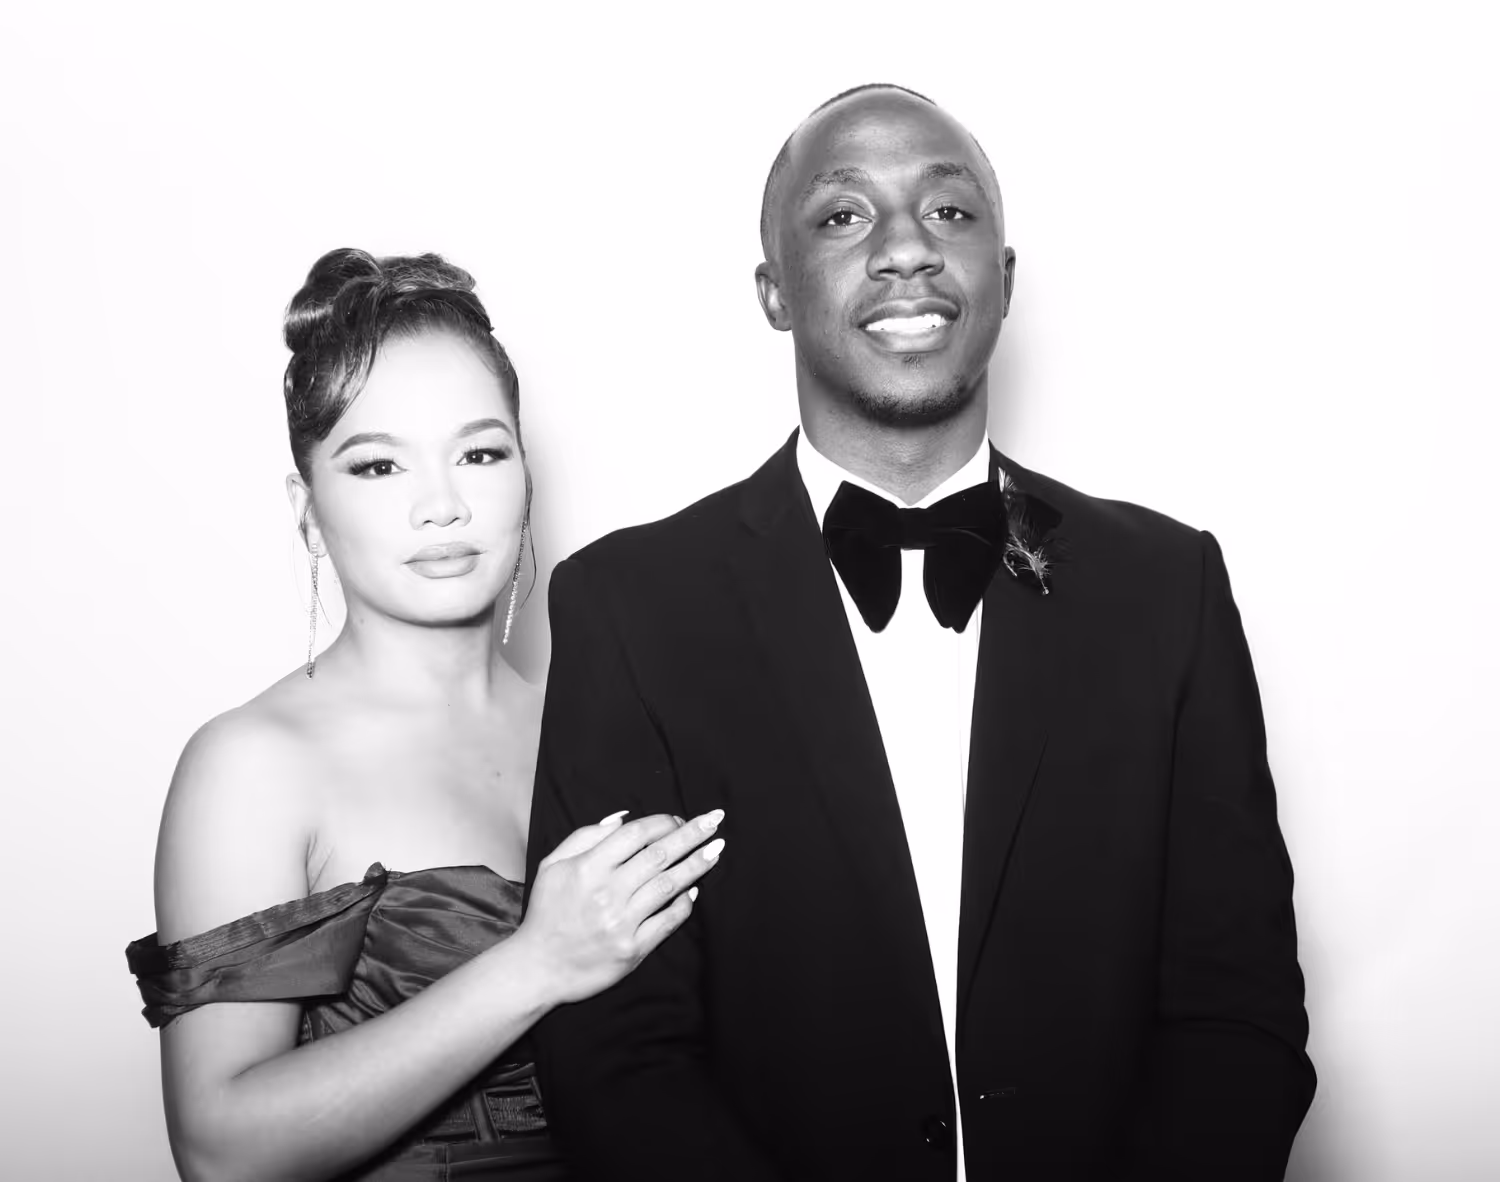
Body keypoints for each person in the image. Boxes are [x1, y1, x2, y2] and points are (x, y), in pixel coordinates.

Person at [525, 85, 1315, 1181]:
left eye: (950, 213)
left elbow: (1240, 1017)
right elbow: (617, 1055)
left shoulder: (1168, 587)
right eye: (844, 217)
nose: (907, 249)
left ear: (1005, 277)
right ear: (774, 291)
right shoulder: (628, 605)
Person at [126, 248, 725, 1182]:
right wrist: (536, 963)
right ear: (307, 506)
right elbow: (221, 1150)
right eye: (376, 467)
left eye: (480, 454)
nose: (442, 505)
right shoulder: (255, 764)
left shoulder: (606, 724)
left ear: (527, 478)